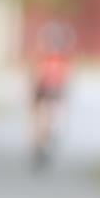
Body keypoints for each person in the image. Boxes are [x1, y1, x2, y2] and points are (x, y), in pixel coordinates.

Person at [31, 20, 74, 168]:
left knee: (48, 120)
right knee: (43, 120)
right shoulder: (45, 58)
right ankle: (41, 145)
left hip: (53, 92)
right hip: (45, 92)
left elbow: (65, 78)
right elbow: (37, 76)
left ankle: (44, 143)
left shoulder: (60, 59)